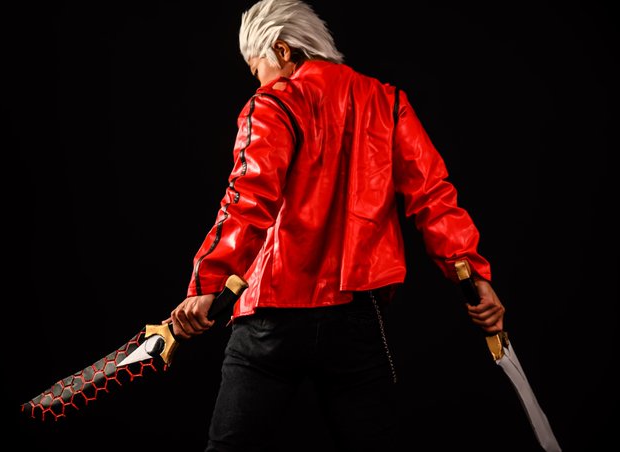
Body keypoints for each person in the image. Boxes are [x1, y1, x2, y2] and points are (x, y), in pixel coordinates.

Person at [167, 0, 505, 450]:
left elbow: (248, 200)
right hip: (355, 317)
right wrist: (475, 278)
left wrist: (208, 284)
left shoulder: (274, 102)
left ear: (283, 50)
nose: (260, 82)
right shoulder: (387, 102)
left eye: (258, 69)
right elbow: (432, 196)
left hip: (272, 315)